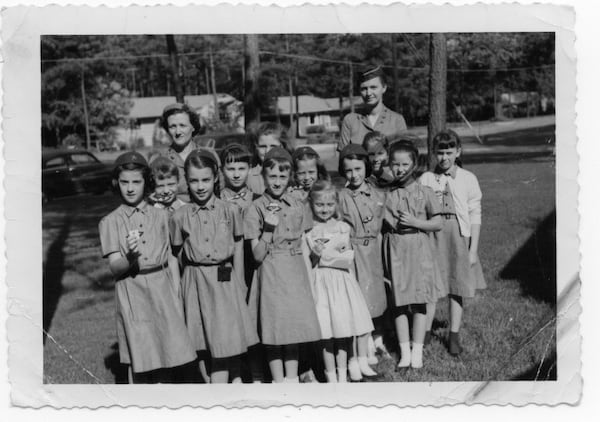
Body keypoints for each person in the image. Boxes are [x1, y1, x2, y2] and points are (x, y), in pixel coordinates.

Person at [98, 152, 195, 383]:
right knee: (139, 355)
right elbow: (114, 267)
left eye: (136, 182)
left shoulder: (162, 216)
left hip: (163, 289)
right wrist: (129, 257)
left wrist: (176, 292)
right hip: (133, 291)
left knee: (167, 352)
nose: (130, 188)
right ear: (116, 183)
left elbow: (171, 257)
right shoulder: (110, 222)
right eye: (124, 182)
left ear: (146, 182)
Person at [169, 149, 258, 383]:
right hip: (195, 282)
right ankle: (212, 386)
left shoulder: (230, 210)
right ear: (186, 181)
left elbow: (238, 245)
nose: (200, 186)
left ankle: (230, 385)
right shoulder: (179, 216)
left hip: (225, 280)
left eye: (206, 180)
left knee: (228, 336)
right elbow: (177, 254)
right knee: (201, 340)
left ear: (216, 177)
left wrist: (239, 280)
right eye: (194, 180)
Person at [244, 147, 321, 383]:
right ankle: (279, 381)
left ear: (290, 177)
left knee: (293, 328)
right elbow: (256, 255)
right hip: (271, 272)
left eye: (282, 177)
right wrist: (268, 230)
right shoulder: (254, 208)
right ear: (263, 177)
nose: (277, 182)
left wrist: (315, 255)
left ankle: (292, 378)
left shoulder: (298, 203)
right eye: (272, 176)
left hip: (296, 271)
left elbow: (308, 240)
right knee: (275, 329)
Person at [419, 130, 486, 356]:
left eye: (449, 152)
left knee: (456, 287)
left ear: (458, 152)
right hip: (433, 236)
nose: (444, 158)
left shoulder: (468, 178)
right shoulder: (426, 179)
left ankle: (453, 335)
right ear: (433, 153)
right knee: (431, 287)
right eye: (440, 153)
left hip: (459, 235)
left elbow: (475, 214)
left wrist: (473, 249)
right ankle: (425, 334)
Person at [382, 141, 443, 369]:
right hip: (396, 250)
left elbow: (437, 223)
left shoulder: (425, 192)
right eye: (395, 164)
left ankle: (417, 351)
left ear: (414, 164)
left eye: (404, 164)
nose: (399, 169)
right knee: (399, 304)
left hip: (419, 250)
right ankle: (404, 351)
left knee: (418, 303)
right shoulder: (388, 194)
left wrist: (416, 222)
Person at [305, 180, 374, 383]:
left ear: (336, 203)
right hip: (321, 284)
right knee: (326, 332)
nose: (324, 209)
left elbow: (348, 255)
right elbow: (307, 264)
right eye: (319, 205)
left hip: (342, 283)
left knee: (342, 330)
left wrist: (344, 253)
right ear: (311, 204)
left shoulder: (343, 227)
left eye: (329, 204)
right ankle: (330, 377)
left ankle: (343, 375)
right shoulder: (310, 231)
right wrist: (314, 254)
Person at [337, 144, 386, 380]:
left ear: (366, 167)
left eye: (358, 168)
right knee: (358, 305)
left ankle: (370, 345)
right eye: (348, 170)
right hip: (354, 253)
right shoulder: (342, 197)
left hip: (373, 251)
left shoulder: (377, 194)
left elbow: (383, 222)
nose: (354, 174)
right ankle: (359, 355)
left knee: (373, 301)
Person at [150, 103, 218, 202]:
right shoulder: (159, 159)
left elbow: (221, 189)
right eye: (172, 126)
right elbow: (151, 194)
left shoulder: (209, 155)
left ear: (193, 127)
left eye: (182, 125)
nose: (178, 132)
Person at [338, 66, 407, 151]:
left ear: (384, 88)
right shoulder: (350, 121)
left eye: (373, 87)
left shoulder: (397, 120)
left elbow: (404, 155)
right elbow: (343, 157)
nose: (368, 93)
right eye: (364, 89)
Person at [247, 122, 292, 195]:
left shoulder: (291, 173)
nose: (267, 151)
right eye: (262, 146)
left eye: (273, 146)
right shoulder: (249, 176)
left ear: (283, 146)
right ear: (256, 147)